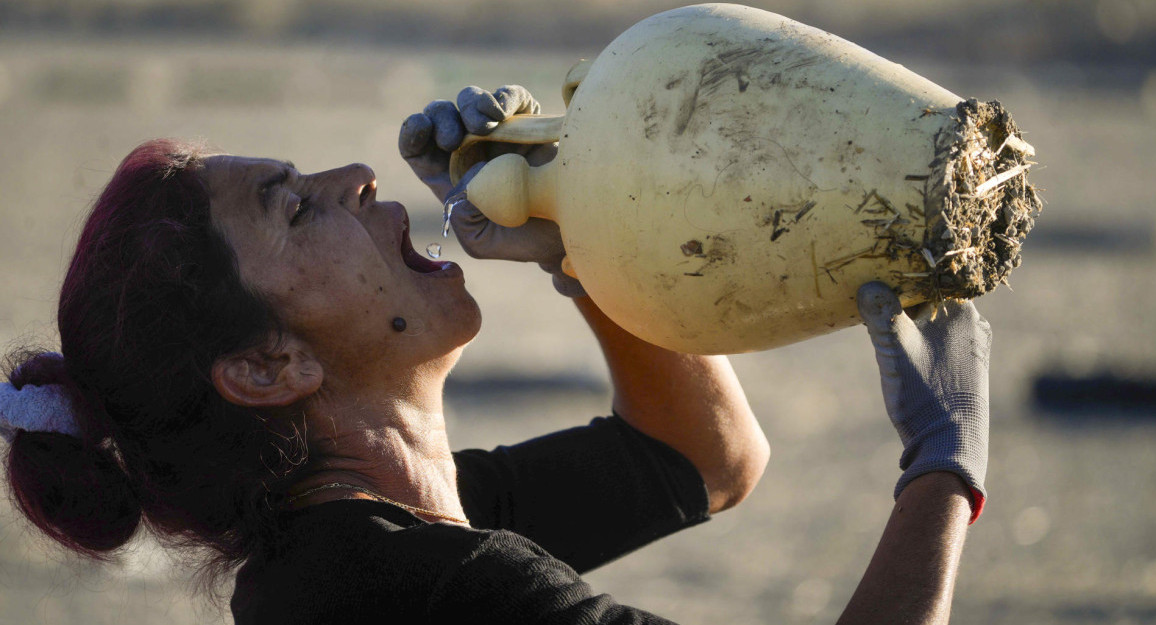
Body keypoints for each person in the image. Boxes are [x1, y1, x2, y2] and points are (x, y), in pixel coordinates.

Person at [0, 85, 990, 624]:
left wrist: (584, 240)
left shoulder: (358, 549)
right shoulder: (427, 585)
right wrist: (942, 469)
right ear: (266, 369)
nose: (358, 176)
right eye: (295, 205)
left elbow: (700, 459)